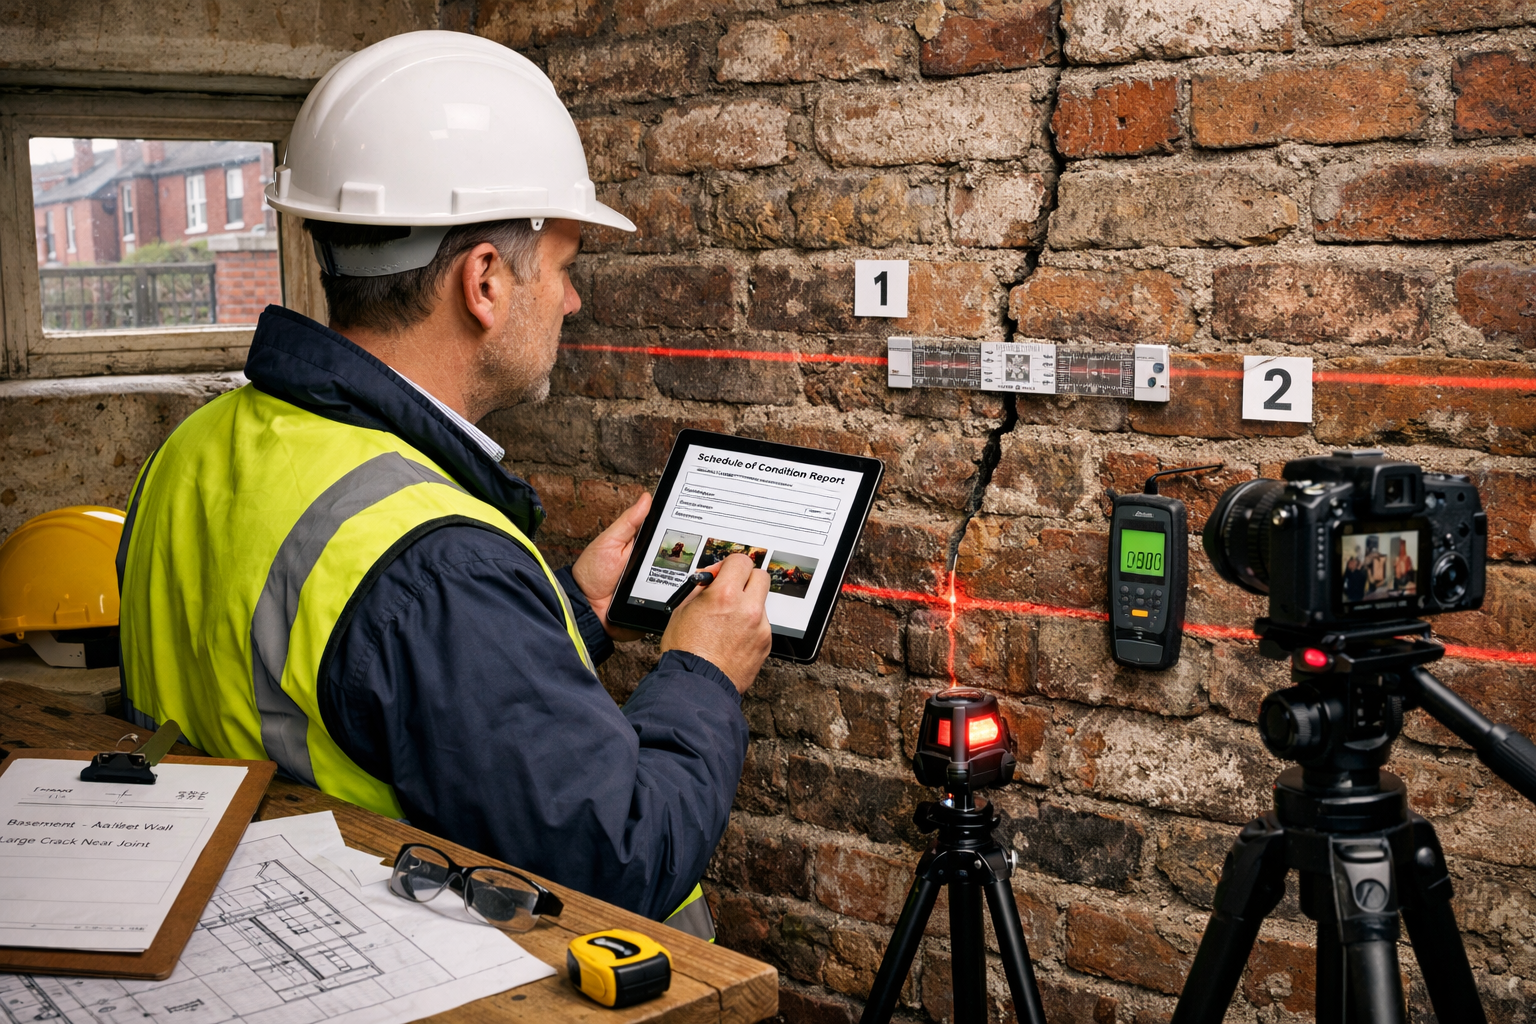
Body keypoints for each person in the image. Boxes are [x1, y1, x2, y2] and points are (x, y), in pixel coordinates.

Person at [116, 31, 772, 940]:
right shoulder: (439, 564)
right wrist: (702, 673)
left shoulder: (195, 448)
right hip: (402, 972)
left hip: (228, 935)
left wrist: (567, 612)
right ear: (486, 281)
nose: (573, 302)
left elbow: (362, 684)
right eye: (566, 268)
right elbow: (619, 859)